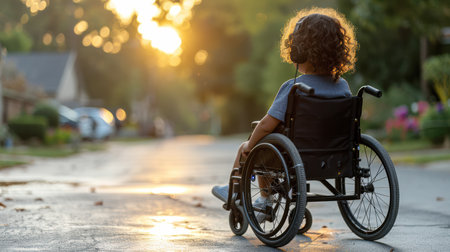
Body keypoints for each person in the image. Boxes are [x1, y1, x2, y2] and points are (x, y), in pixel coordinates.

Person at [212, 7, 358, 223]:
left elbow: (266, 124)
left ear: (298, 51)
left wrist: (249, 146)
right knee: (267, 144)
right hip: (333, 156)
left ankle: (249, 197)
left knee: (255, 146)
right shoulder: (343, 86)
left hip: (291, 158)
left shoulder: (294, 88)